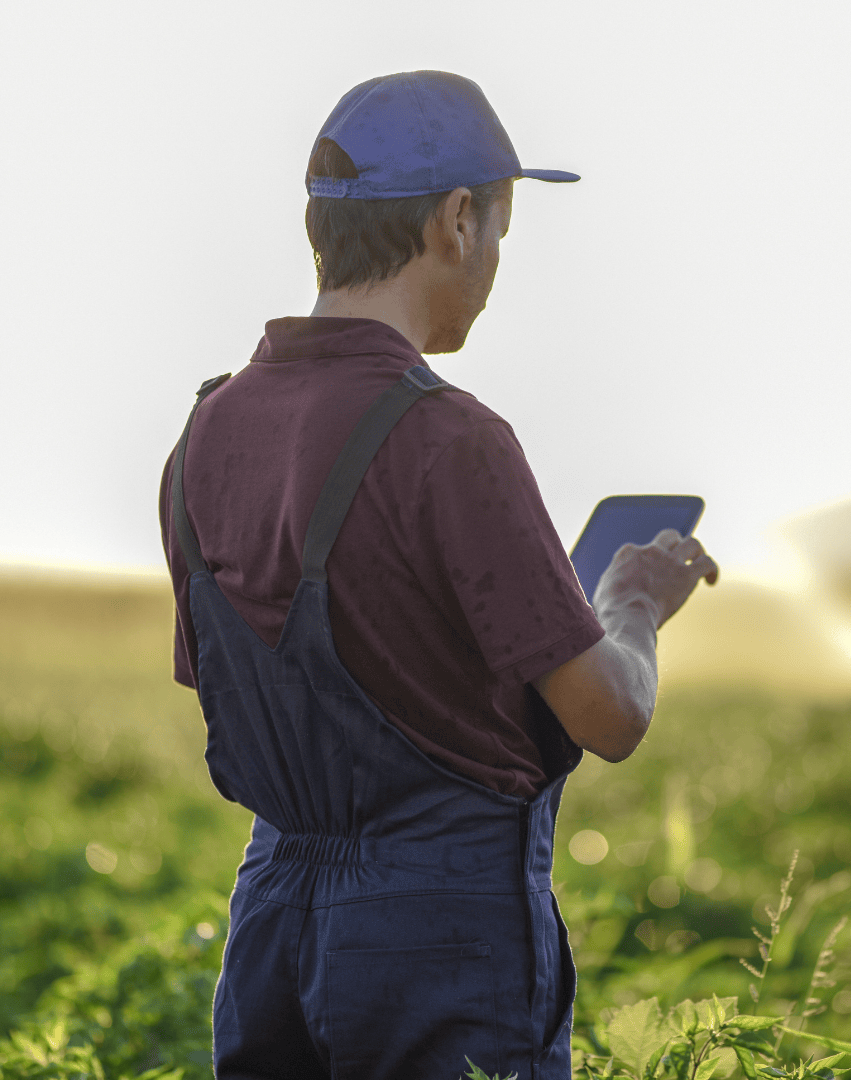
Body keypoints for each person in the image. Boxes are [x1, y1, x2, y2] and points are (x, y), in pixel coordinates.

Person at [158, 70, 717, 1078]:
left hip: (269, 928)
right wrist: (631, 603)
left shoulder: (204, 432)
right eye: (500, 229)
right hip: (437, 944)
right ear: (457, 221)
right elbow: (609, 717)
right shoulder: (451, 438)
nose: (496, 261)